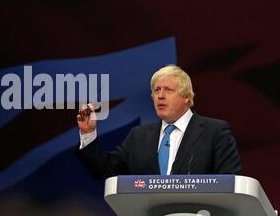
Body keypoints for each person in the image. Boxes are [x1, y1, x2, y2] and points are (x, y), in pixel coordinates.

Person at [75, 65, 241, 178]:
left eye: (168, 90)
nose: (160, 95)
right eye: (156, 90)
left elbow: (229, 182)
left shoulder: (215, 132)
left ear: (186, 97)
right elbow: (103, 170)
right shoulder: (138, 136)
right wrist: (88, 133)